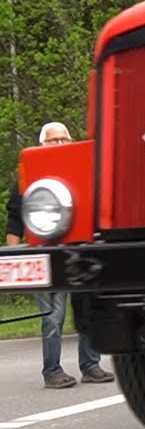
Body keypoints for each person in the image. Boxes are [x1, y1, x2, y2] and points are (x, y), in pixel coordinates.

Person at [5, 122, 114, 389]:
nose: (59, 144)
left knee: (87, 311)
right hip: (46, 255)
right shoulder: (27, 175)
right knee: (52, 317)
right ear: (42, 144)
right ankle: (52, 371)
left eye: (64, 139)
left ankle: (90, 366)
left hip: (79, 253)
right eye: (53, 140)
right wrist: (14, 259)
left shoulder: (82, 170)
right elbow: (15, 219)